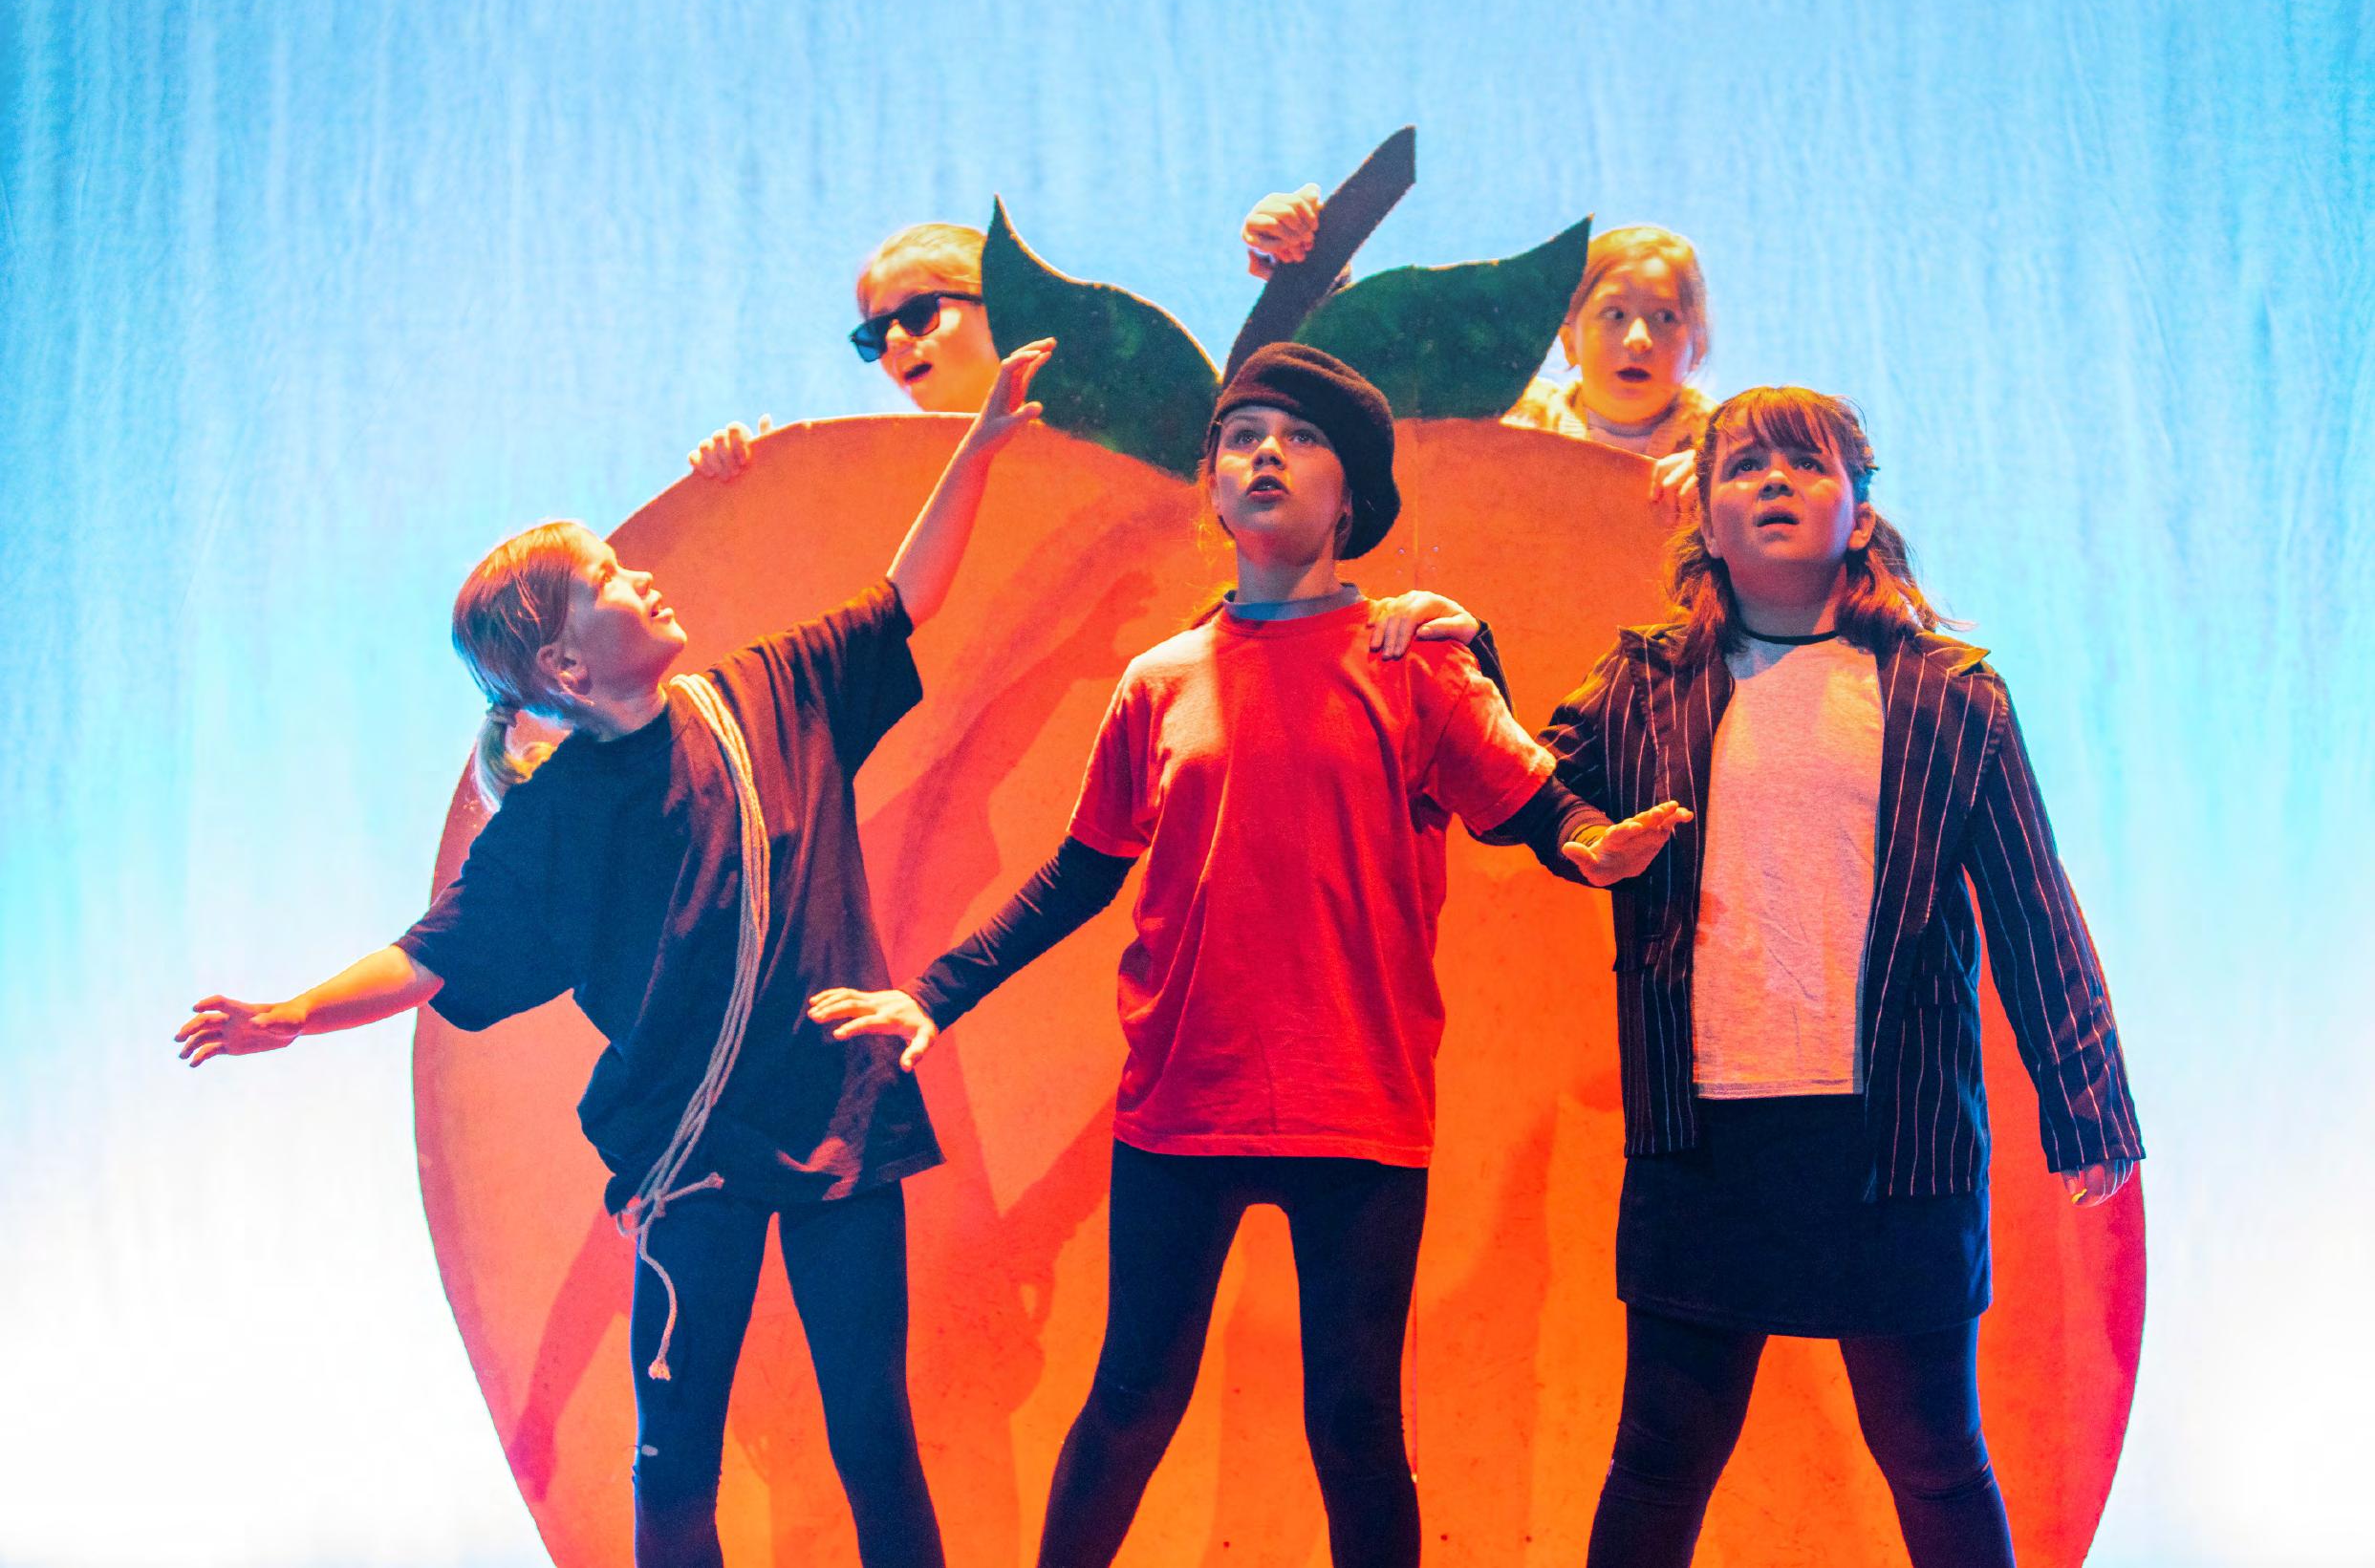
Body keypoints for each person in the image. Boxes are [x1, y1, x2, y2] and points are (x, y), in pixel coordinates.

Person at [178, 341, 1057, 1568]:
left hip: (839, 1109)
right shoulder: (553, 823)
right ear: (565, 666)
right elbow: (428, 956)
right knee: (673, 1459)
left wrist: (980, 446)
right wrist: (291, 1012)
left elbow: (900, 599)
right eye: (606, 577)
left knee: (872, 1426)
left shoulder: (771, 691)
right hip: (692, 1153)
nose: (639, 575)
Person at [810, 341, 1681, 1568]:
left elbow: (1535, 804)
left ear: (1351, 497)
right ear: (1215, 489)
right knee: (1129, 1401)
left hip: (1359, 1105)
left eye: (1300, 436)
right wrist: (931, 997)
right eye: (1240, 436)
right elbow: (1078, 873)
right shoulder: (1157, 681)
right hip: (1184, 1101)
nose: (1264, 452)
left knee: (1357, 1425)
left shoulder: (1414, 658)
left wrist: (1591, 844)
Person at [1530, 385, 2141, 1568]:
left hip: (1895, 1140)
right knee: (1658, 1454)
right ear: (1705, 518)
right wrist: (1450, 645)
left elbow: (2031, 906)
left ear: (1858, 512)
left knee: (1932, 1451)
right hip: (1701, 1134)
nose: (1772, 481)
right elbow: (1521, 784)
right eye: (1743, 465)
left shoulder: (1949, 692)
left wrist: (2086, 1105)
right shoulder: (1644, 679)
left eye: (1804, 464)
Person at [1241, 198, 1713, 488]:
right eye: (1614, 314)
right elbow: (1363, 401)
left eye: (1665, 317)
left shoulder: (1725, 445)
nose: (1638, 339)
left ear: (1697, 344)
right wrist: (1306, 266)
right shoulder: (1512, 418)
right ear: (1568, 339)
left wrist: (1726, 481)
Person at [691, 220, 997, 477]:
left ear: (998, 310)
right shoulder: (889, 480)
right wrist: (758, 480)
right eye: (877, 330)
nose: (894, 340)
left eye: (918, 312)